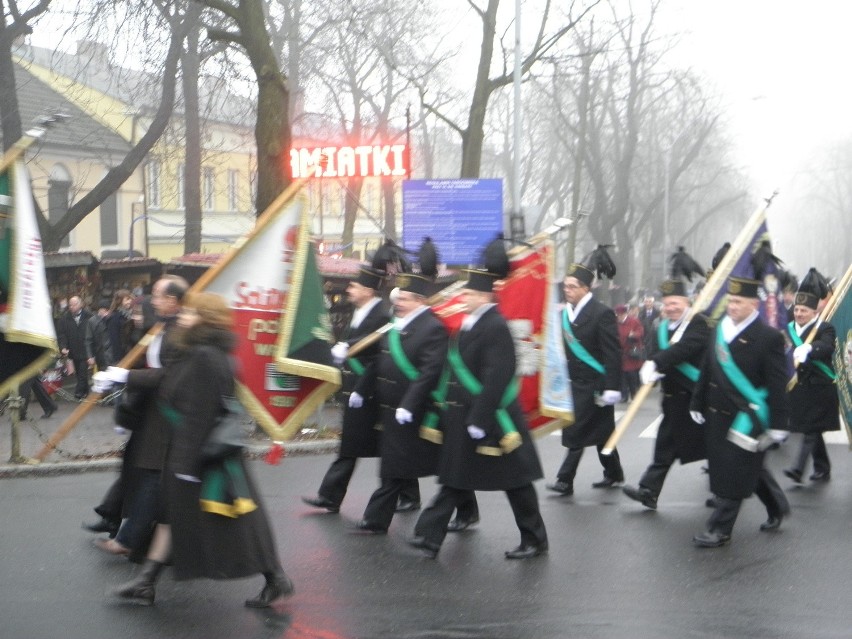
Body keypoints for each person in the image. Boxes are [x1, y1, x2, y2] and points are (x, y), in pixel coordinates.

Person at [109, 292, 293, 607]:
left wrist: (184, 464)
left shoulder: (206, 356)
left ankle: (276, 578)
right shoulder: (194, 351)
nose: (183, 314)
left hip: (203, 457)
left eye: (191, 311)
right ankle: (146, 581)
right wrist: (127, 377)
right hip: (190, 451)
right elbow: (168, 380)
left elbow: (200, 415)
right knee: (169, 515)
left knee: (239, 525)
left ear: (205, 319)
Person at [409, 263, 548, 560]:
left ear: (484, 297)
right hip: (466, 417)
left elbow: (498, 375)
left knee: (516, 482)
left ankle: (535, 540)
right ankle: (430, 537)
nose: (464, 297)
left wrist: (481, 418)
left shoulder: (495, 325)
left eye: (469, 292)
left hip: (493, 419)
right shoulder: (470, 324)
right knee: (456, 477)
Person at [301, 266, 421, 513]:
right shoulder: (358, 312)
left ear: (367, 290)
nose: (349, 290)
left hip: (372, 390)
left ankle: (332, 496)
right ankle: (333, 496)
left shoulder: (380, 315)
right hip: (355, 389)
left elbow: (378, 351)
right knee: (360, 445)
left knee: (377, 446)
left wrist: (348, 351)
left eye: (354, 286)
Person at [84, 276, 187, 554]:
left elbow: (168, 375)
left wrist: (127, 376)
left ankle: (129, 538)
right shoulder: (161, 328)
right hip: (150, 416)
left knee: (154, 477)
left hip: (167, 419)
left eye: (157, 295)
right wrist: (122, 394)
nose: (151, 300)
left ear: (172, 301)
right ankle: (123, 527)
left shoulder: (178, 333)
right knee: (143, 473)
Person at [689, 277, 790, 547]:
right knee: (747, 469)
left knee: (734, 472)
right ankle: (777, 506)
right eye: (730, 301)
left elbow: (777, 384)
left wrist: (779, 423)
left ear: (753, 304)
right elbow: (707, 369)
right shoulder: (718, 330)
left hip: (746, 418)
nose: (732, 306)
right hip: (715, 413)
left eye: (738, 301)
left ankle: (719, 530)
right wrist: (697, 402)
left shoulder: (768, 337)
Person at [354, 273, 447, 534]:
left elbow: (430, 371)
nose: (399, 303)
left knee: (402, 465)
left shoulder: (433, 327)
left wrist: (409, 403)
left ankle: (376, 519)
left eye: (405, 299)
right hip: (390, 408)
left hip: (416, 410)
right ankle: (465, 507)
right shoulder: (396, 324)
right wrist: (361, 390)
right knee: (401, 463)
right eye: (398, 298)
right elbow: (379, 361)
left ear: (419, 300)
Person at [622, 278, 709, 510]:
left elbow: (685, 349)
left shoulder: (699, 323)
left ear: (687, 302)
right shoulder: (661, 327)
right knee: (664, 446)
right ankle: (648, 491)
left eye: (676, 303)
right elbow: (652, 351)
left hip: (697, 397)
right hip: (672, 399)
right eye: (667, 304)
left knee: (714, 447)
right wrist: (649, 367)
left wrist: (658, 362)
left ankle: (726, 493)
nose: (671, 308)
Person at [548, 259, 624, 497]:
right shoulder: (564, 315)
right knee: (602, 434)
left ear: (585, 288)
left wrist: (613, 386)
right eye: (565, 286)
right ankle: (614, 473)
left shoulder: (602, 313)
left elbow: (613, 352)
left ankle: (564, 480)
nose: (567, 291)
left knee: (576, 430)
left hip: (596, 385)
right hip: (573, 383)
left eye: (572, 287)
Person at [783, 269, 838, 484]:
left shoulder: (825, 328)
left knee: (810, 428)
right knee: (812, 429)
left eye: (804, 310)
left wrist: (809, 348)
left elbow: (826, 347)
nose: (799, 314)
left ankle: (798, 469)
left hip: (820, 387)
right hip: (799, 388)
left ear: (814, 312)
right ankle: (823, 467)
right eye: (797, 309)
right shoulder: (787, 330)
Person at [57, 295, 92, 399]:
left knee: (82, 371)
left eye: (74, 304)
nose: (72, 307)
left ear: (81, 304)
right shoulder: (65, 319)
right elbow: (62, 334)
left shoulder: (89, 316)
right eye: (70, 305)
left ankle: (79, 392)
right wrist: (63, 347)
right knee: (79, 372)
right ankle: (85, 391)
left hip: (86, 349)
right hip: (73, 349)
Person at [615, 304, 644, 401]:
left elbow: (640, 331)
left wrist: (634, 335)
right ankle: (624, 396)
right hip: (621, 353)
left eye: (621, 314)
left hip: (631, 353)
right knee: (622, 376)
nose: (620, 317)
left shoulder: (633, 321)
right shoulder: (615, 323)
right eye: (618, 315)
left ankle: (634, 394)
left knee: (631, 375)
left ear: (625, 313)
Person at [105, 289, 135, 364]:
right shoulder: (115, 317)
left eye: (130, 299)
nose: (130, 301)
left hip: (129, 353)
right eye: (127, 299)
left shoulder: (129, 315)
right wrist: (119, 360)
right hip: (120, 357)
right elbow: (114, 340)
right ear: (119, 301)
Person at [85, 299, 113, 373]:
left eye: (107, 310)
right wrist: (90, 356)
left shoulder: (111, 319)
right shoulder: (92, 321)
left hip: (112, 353)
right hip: (100, 354)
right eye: (104, 310)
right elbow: (88, 340)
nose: (105, 312)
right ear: (99, 310)